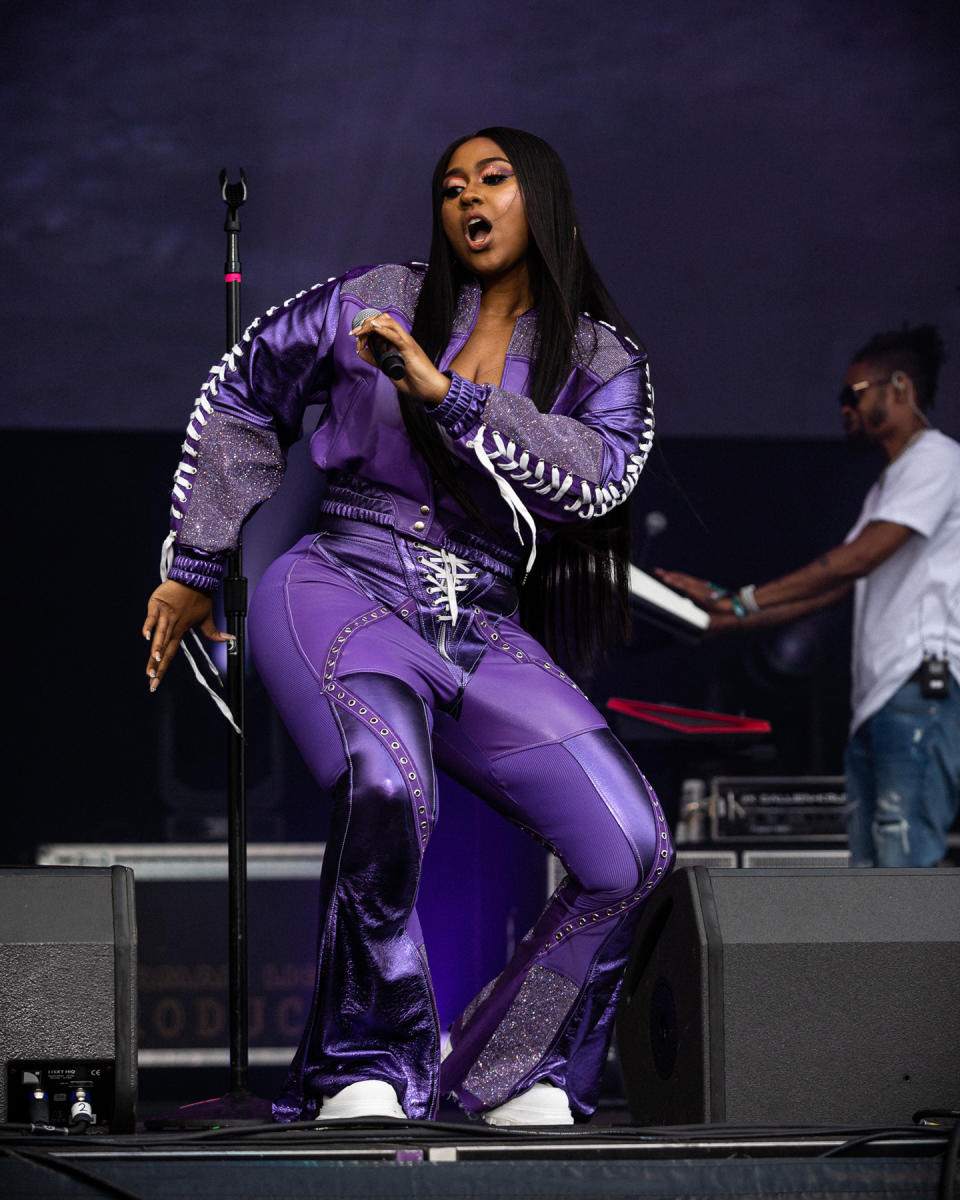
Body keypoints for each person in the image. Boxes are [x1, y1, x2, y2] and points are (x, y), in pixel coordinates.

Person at [142, 127, 673, 1125]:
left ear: (544, 201)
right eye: (450, 185)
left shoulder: (602, 356)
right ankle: (366, 1065)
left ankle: (514, 1071)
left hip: (476, 616)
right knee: (389, 783)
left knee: (630, 849)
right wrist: (200, 563)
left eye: (494, 178)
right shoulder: (380, 297)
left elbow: (593, 475)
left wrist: (449, 395)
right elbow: (248, 389)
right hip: (343, 576)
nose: (468, 196)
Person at [657, 325, 960, 868]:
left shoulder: (937, 459)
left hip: (918, 687)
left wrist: (743, 601)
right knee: (871, 869)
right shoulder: (887, 485)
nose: (844, 408)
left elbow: (857, 559)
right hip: (882, 700)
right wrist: (721, 613)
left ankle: (916, 960)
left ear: (900, 387)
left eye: (854, 394)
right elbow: (836, 586)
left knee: (905, 861)